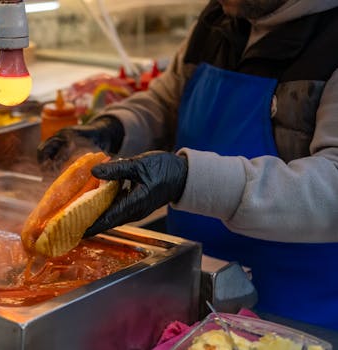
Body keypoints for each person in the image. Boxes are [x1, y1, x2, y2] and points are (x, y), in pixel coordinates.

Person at [37, 0, 338, 330]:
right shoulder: (220, 18)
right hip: (190, 285)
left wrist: (187, 179)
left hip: (296, 309)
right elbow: (166, 102)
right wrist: (112, 129)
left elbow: (332, 187)